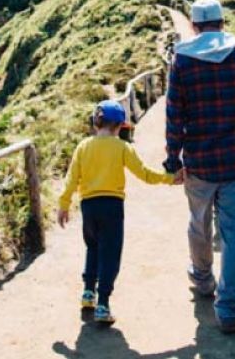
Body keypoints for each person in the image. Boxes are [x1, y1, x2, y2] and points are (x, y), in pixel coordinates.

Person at [163, 0, 235, 334]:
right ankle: (229, 311)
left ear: (195, 26)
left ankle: (202, 281)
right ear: (222, 22)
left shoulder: (182, 62)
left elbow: (174, 118)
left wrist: (174, 162)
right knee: (234, 233)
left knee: (198, 223)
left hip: (199, 163)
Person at [58, 100, 178, 325]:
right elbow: (144, 174)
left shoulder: (83, 147)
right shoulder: (122, 147)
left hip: (88, 206)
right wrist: (170, 179)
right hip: (112, 205)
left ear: (96, 122)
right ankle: (102, 303)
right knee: (110, 253)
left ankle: (88, 292)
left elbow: (71, 178)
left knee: (92, 247)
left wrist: (64, 204)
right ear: (119, 126)